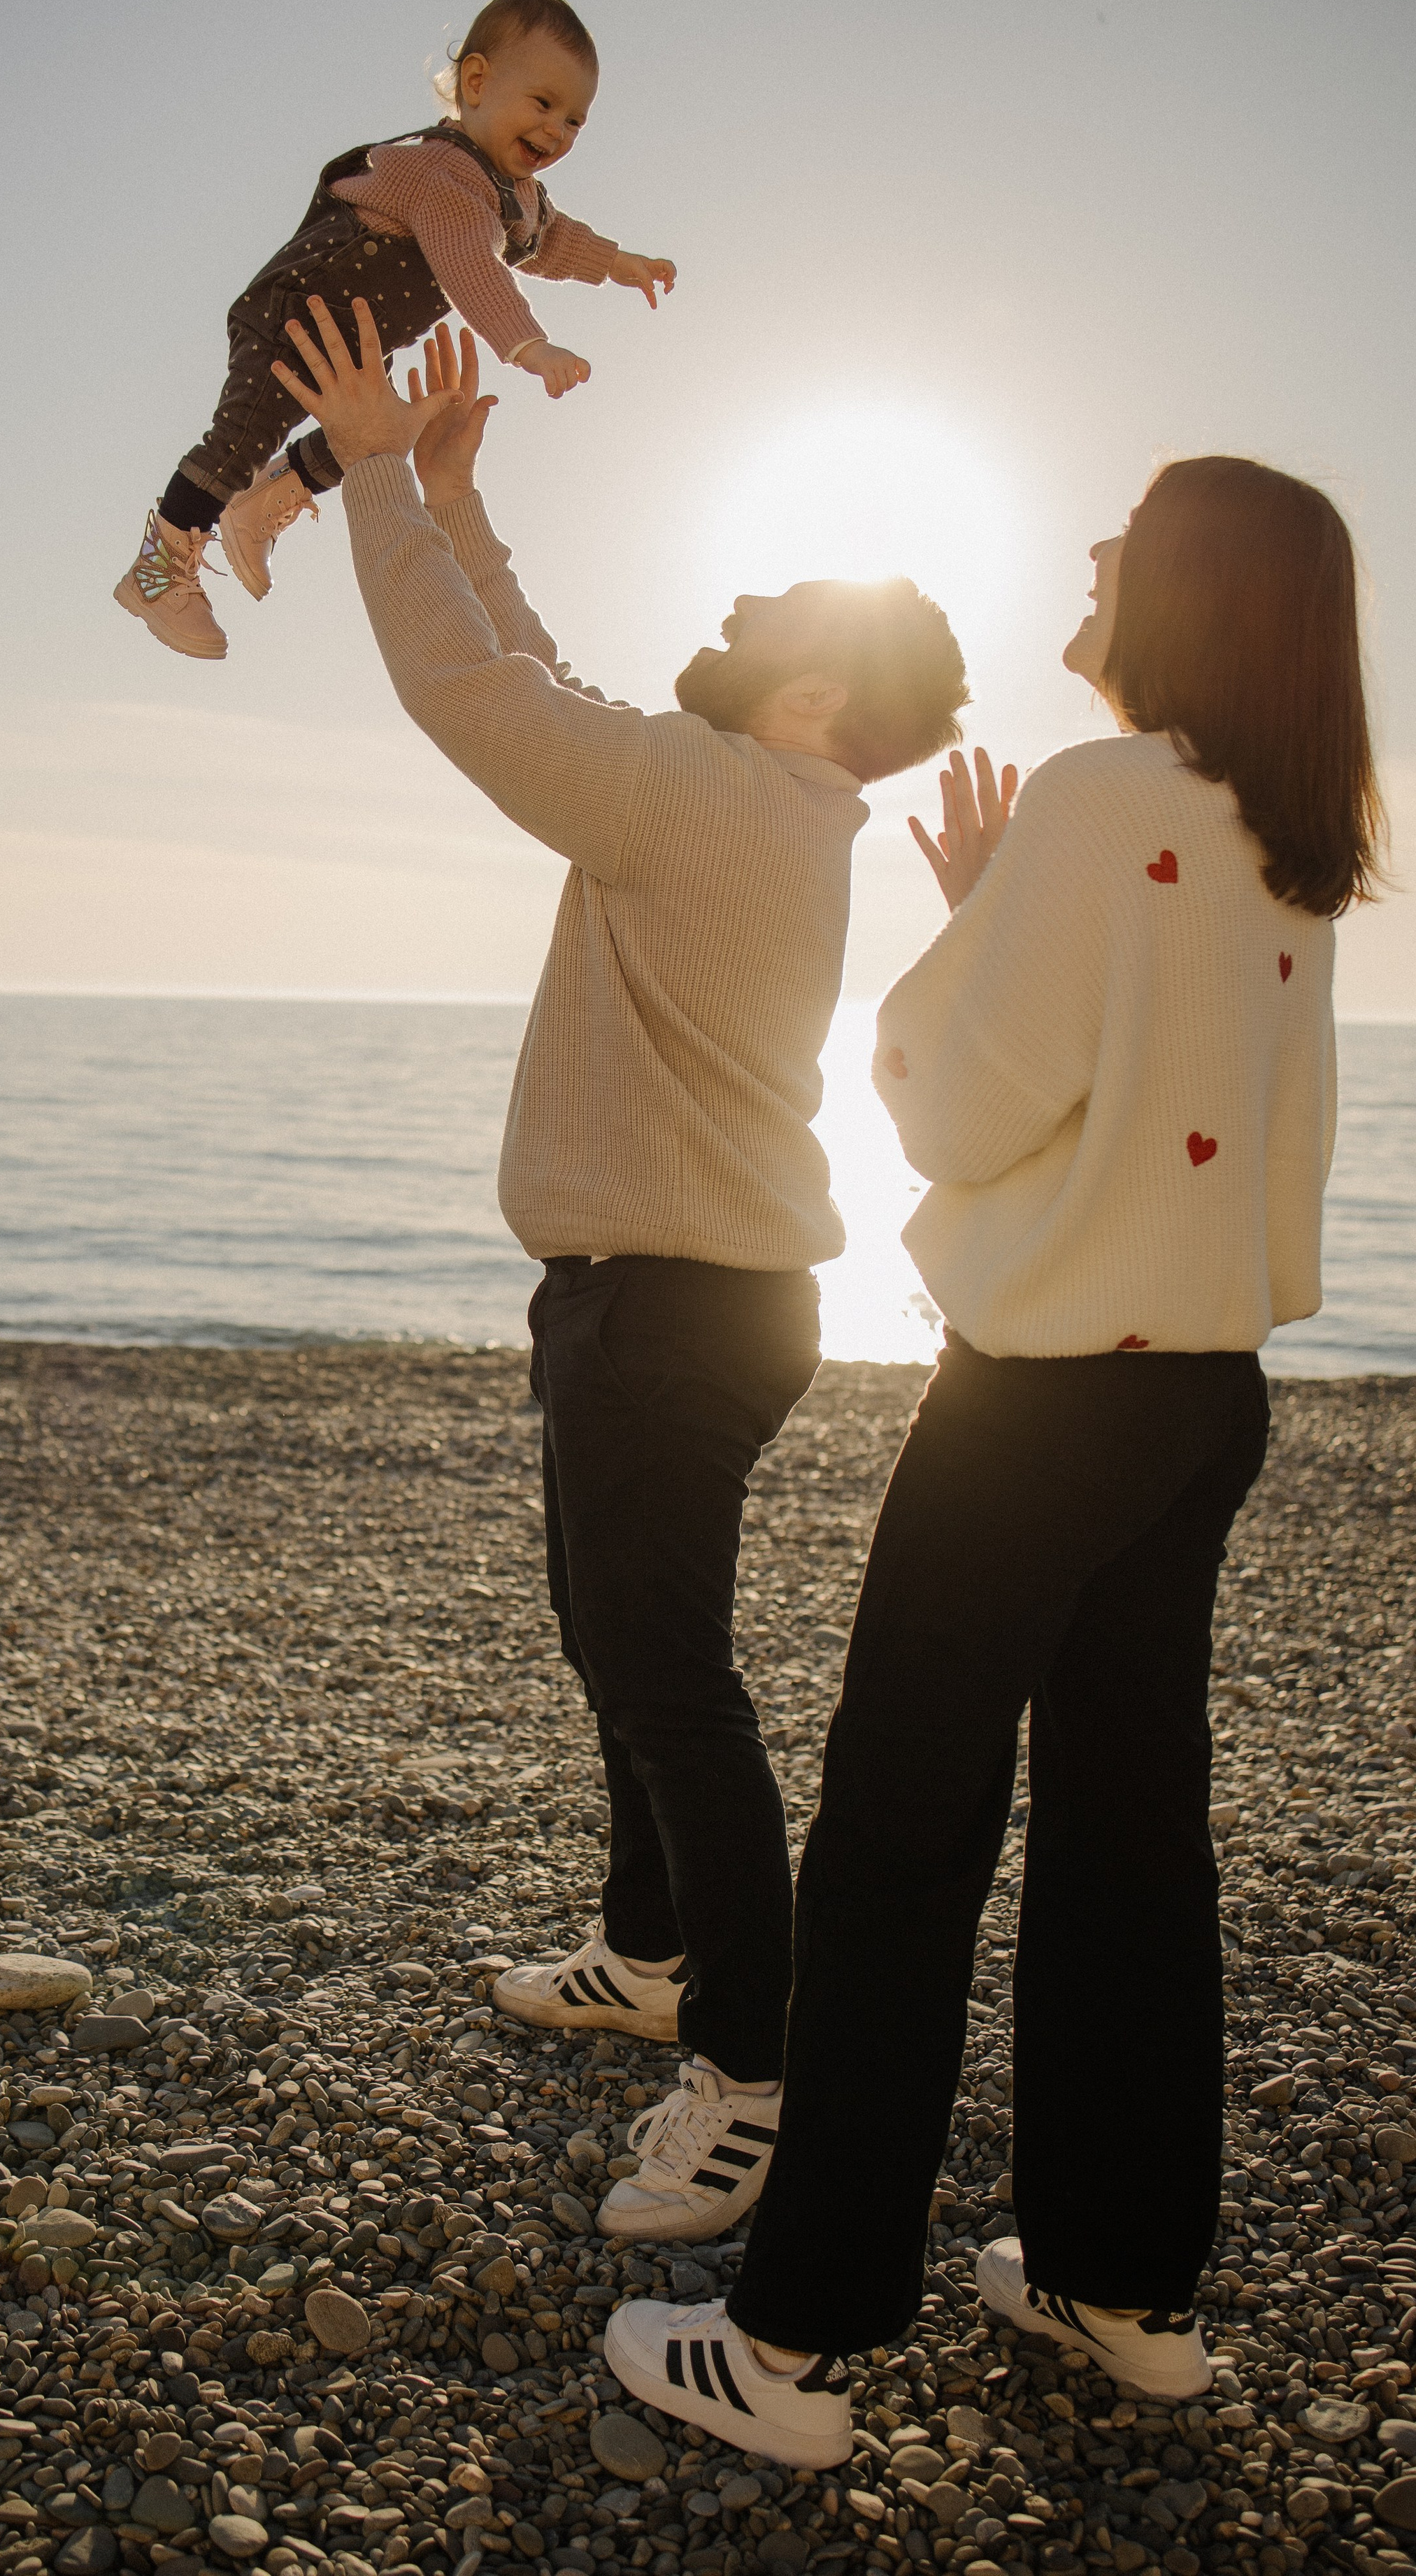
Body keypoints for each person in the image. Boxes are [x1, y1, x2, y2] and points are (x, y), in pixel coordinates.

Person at [604, 454, 1385, 2463]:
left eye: (1134, 535)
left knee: (895, 1850)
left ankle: (786, 2349)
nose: (1101, 554)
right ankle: (1123, 2288)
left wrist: (969, 937)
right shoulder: (1293, 829)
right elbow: (1165, 1078)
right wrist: (1003, 910)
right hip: (1202, 1403)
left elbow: (957, 1103)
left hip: (1041, 1405)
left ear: (1195, 591)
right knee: (1134, 1840)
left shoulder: (1105, 797)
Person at [271, 297, 969, 2247]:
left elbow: (478, 703)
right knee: (630, 1647)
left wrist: (382, 479)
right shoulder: (753, 793)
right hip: (688, 1297)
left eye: (780, 614)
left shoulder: (702, 796)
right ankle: (653, 1950)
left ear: (818, 702)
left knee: (663, 1676)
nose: (742, 605)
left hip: (667, 1304)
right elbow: (552, 678)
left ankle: (746, 2070)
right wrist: (465, 513)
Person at [113, 0, 673, 661]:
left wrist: (617, 262)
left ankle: (268, 496)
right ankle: (155, 572)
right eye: (544, 104)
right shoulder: (443, 171)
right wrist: (527, 344)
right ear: (476, 82)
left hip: (349, 347)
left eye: (576, 121)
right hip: (294, 317)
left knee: (376, 439)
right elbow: (471, 263)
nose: (557, 131)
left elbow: (549, 240)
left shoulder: (516, 197)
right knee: (237, 443)